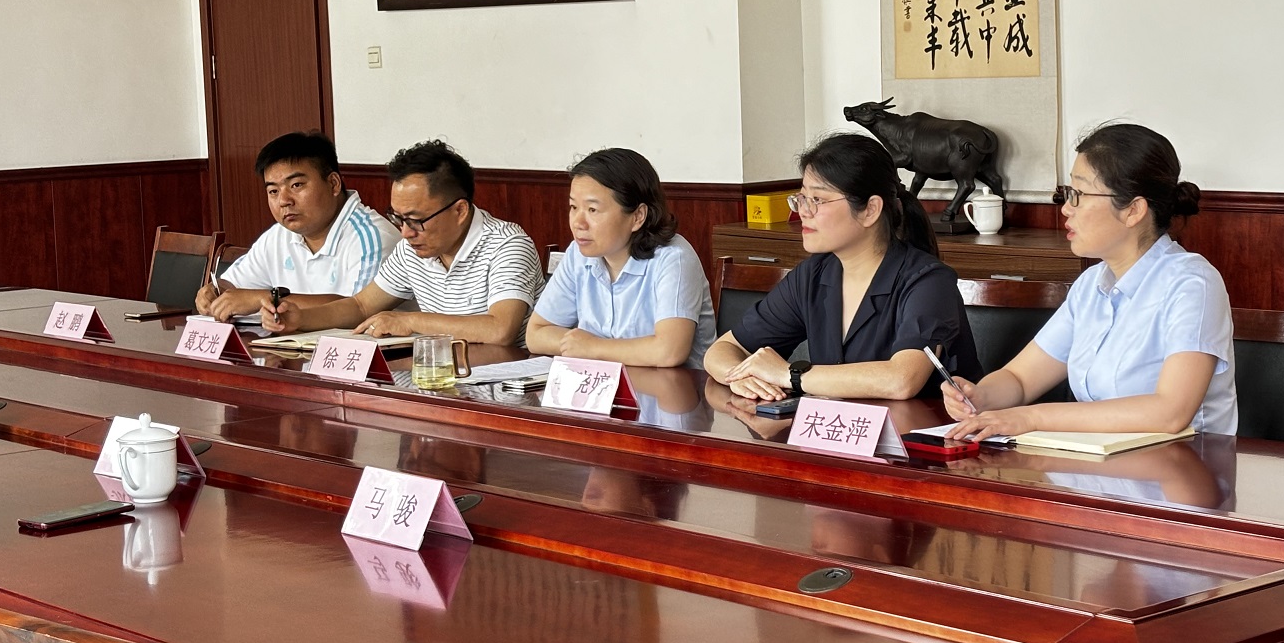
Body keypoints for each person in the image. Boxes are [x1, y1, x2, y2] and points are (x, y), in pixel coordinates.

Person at [944, 122, 1236, 441]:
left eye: (1078, 195)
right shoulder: (1090, 285)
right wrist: (979, 397)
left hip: (1184, 464)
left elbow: (1171, 412)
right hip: (1099, 461)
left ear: (1133, 210)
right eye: (1068, 193)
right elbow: (1020, 379)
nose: (1066, 209)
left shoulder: (1192, 283)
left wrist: (1031, 417)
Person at [704, 132, 979, 401]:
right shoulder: (813, 275)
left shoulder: (928, 281)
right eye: (802, 198)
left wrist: (789, 375)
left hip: (921, 430)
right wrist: (740, 377)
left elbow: (901, 380)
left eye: (817, 200)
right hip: (837, 428)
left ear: (870, 209)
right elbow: (723, 349)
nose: (803, 211)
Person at [263, 140, 544, 346]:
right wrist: (301, 319)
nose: (406, 232)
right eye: (398, 218)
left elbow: (500, 329)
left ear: (459, 210)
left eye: (416, 220)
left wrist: (409, 321)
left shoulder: (507, 245)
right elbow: (361, 306)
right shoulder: (411, 249)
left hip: (508, 386)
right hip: (445, 375)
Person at [525, 148, 716, 369]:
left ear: (637, 216)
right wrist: (582, 345)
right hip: (601, 385)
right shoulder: (578, 254)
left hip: (675, 388)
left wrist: (593, 347)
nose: (578, 223)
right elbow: (536, 333)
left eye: (593, 210)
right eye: (574, 207)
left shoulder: (674, 259)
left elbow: (669, 351)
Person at [196, 131, 399, 323]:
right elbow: (232, 286)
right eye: (273, 191)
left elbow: (357, 310)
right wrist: (214, 292)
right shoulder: (279, 235)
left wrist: (265, 299)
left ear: (333, 184)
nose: (284, 201)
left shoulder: (372, 238)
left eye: (296, 185)